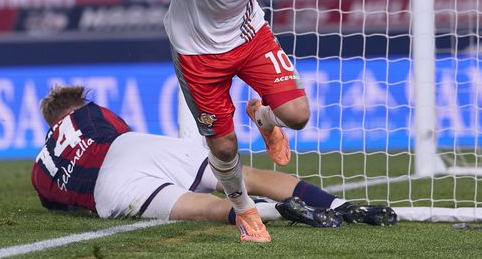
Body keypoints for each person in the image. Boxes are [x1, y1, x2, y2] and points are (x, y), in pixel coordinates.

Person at [142, 0, 446, 242]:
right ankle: (245, 211)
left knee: (298, 116)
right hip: (198, 53)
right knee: (223, 147)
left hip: (249, 36)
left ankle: (264, 117)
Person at [31, 85, 397, 241]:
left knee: (204, 207)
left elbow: (59, 203)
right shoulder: (90, 114)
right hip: (131, 147)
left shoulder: (38, 171)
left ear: (51, 123)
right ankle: (341, 205)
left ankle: (277, 211)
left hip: (108, 189)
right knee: (241, 176)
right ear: (75, 107)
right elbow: (119, 132)